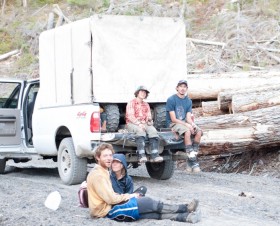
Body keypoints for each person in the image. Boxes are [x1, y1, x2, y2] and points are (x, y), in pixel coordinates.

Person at [87, 143, 201, 223]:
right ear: (98, 157)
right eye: (105, 156)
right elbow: (111, 199)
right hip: (108, 211)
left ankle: (186, 217)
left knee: (150, 214)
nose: (109, 159)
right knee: (147, 202)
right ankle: (185, 208)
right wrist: (131, 196)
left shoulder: (103, 172)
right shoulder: (98, 175)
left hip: (110, 207)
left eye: (110, 155)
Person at [166, 80, 203, 173]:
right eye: (181, 86)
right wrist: (187, 125)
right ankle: (193, 161)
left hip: (184, 122)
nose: (182, 88)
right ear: (177, 88)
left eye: (185, 87)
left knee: (199, 132)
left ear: (187, 89)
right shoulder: (171, 99)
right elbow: (173, 119)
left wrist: (192, 124)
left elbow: (188, 118)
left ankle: (192, 157)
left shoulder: (188, 101)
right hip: (173, 123)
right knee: (187, 131)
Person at [126, 86, 163, 163]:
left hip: (144, 122)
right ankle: (141, 154)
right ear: (137, 93)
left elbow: (149, 116)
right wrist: (139, 124)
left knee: (153, 130)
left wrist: (149, 121)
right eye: (141, 92)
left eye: (145, 92)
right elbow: (130, 116)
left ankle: (154, 154)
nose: (143, 93)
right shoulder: (131, 103)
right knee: (140, 131)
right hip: (132, 123)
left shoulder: (146, 104)